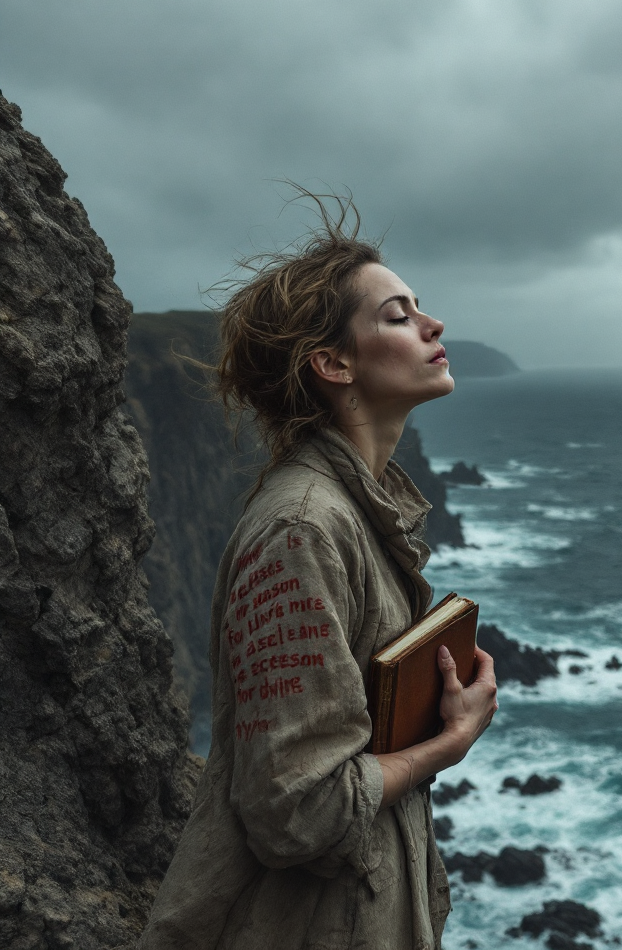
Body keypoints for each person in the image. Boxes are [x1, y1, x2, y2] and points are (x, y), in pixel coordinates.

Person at [140, 195, 498, 950]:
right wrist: (448, 742)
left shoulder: (355, 512)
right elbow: (298, 813)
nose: (433, 327)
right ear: (334, 364)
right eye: (399, 316)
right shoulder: (303, 529)